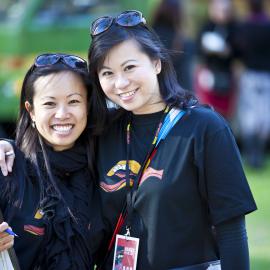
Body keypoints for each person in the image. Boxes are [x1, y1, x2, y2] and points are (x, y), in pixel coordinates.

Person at [1, 10, 257, 270]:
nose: (120, 83)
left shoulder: (204, 128)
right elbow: (54, 139)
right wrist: (7, 146)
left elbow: (233, 233)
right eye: (107, 73)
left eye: (130, 67)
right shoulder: (104, 129)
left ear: (156, 62)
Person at [0, 53, 98, 270]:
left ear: (88, 106)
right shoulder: (7, 168)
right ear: (31, 110)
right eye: (49, 104)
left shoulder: (106, 164)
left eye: (73, 101)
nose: (62, 114)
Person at [234, 0, 270, 168]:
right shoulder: (267, 26)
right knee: (264, 117)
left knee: (249, 117)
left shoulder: (245, 27)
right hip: (266, 76)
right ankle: (260, 156)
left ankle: (250, 156)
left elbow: (238, 51)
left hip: (249, 75)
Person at [195, 0, 238, 120]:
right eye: (219, 10)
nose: (222, 13)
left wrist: (228, 51)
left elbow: (239, 53)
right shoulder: (207, 27)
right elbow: (197, 49)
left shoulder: (234, 28)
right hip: (208, 74)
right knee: (208, 112)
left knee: (225, 114)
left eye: (225, 10)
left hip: (227, 75)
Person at [151, 0, 194, 91]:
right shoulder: (182, 40)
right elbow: (186, 76)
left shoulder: (150, 35)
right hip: (178, 91)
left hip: (156, 91)